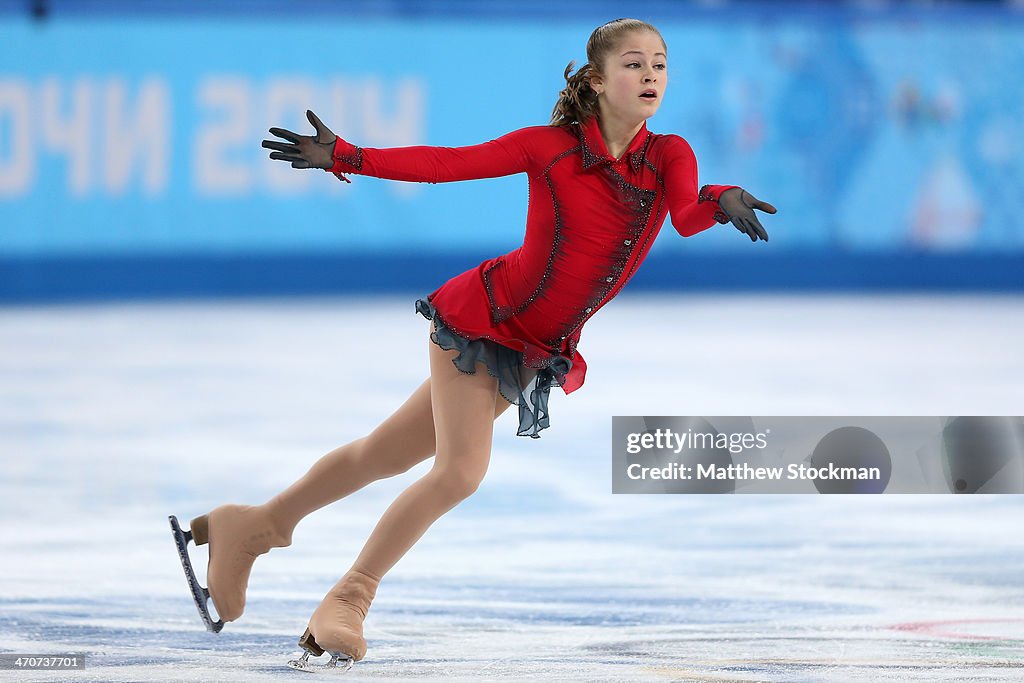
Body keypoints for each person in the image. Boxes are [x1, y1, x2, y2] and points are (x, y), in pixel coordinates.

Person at [169, 17, 777, 671]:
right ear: (597, 80)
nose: (651, 75)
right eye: (634, 64)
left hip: (534, 344)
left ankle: (255, 525)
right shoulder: (549, 148)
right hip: (482, 319)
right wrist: (349, 156)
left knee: (385, 452)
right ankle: (347, 598)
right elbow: (446, 165)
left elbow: (685, 215)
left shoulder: (670, 155)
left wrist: (722, 198)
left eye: (659, 64)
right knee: (459, 472)